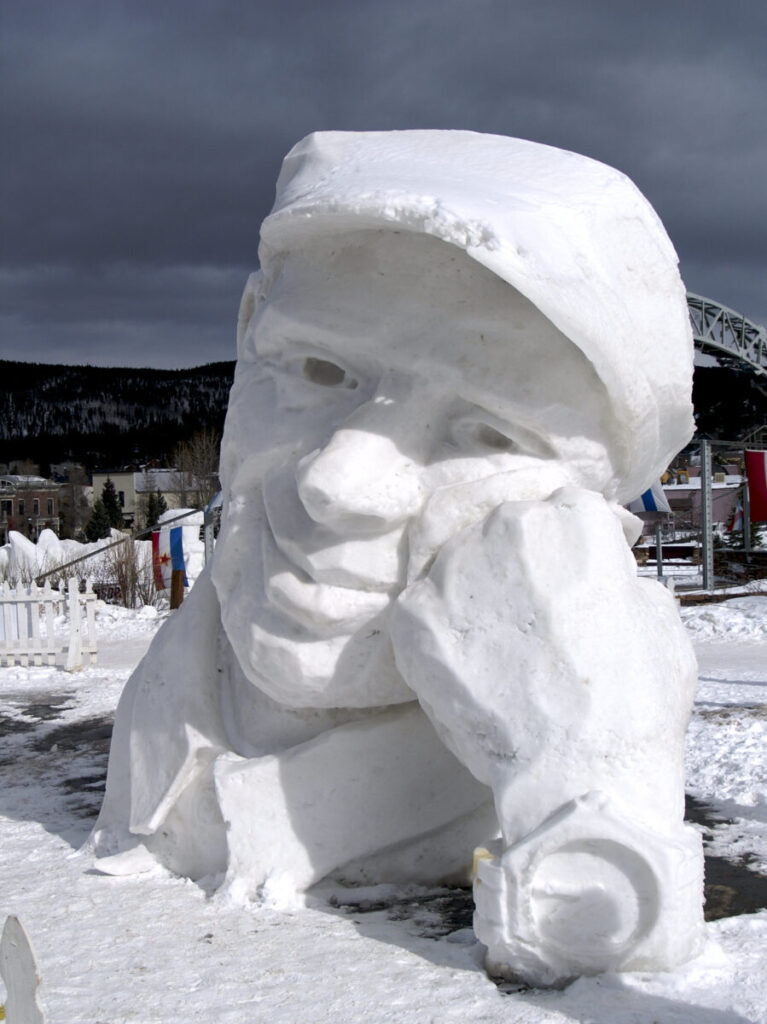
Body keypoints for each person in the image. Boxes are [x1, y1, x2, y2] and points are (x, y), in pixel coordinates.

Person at [93, 131, 704, 984]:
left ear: (587, 518)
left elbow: (626, 976)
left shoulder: (532, 788)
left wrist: (590, 793)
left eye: (484, 432)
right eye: (315, 368)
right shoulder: (164, 698)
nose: (338, 483)